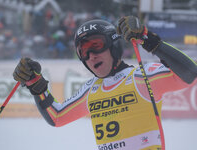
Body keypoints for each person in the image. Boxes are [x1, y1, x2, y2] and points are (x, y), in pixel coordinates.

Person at [13, 16, 197, 150]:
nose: (91, 55)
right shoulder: (91, 90)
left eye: (96, 45)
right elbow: (57, 117)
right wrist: (35, 84)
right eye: (83, 51)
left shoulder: (141, 76)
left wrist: (147, 39)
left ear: (114, 45)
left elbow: (190, 73)